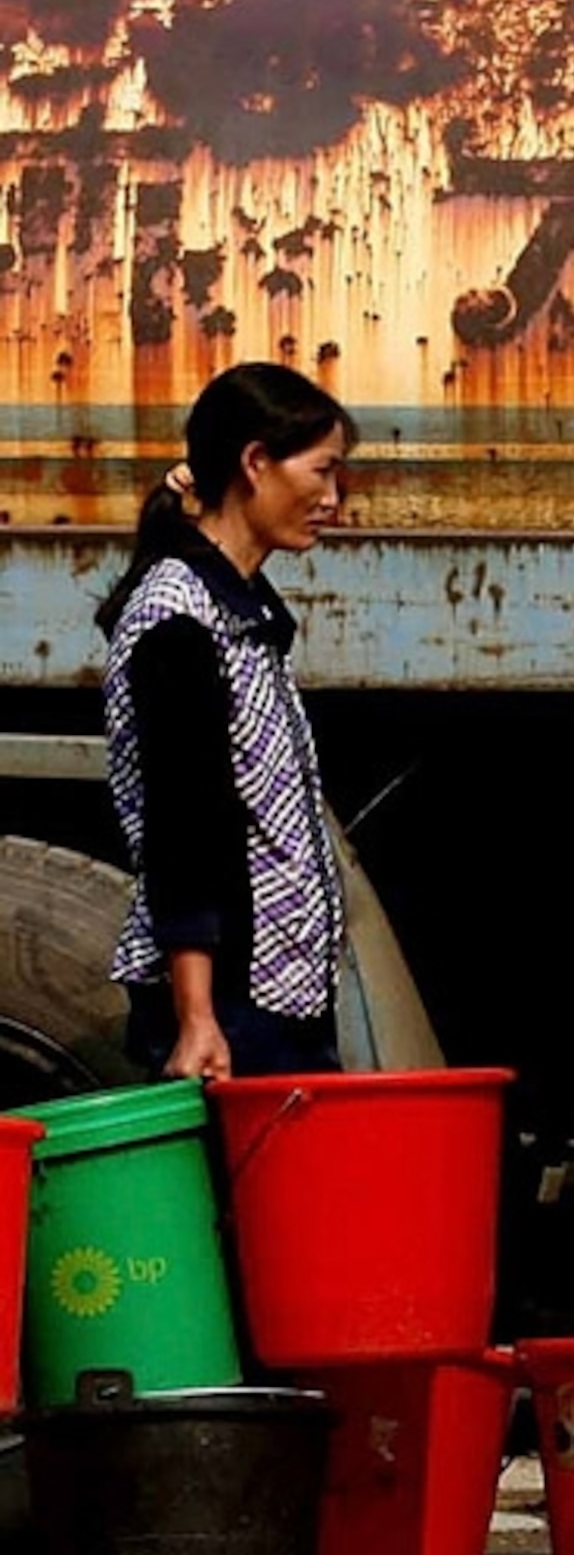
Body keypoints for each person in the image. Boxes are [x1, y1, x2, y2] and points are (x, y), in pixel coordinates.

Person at [100, 363, 358, 1082]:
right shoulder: (177, 619)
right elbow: (183, 828)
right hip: (233, 1009)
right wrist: (197, 1019)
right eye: (322, 473)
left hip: (278, 998)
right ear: (254, 463)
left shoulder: (244, 610)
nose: (332, 499)